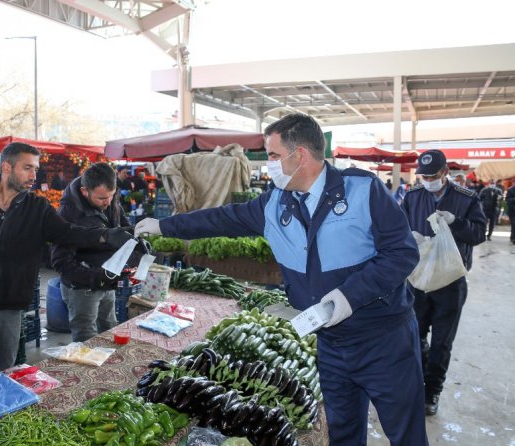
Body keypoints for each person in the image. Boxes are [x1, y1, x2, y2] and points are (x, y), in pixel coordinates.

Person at [135, 113, 427, 446]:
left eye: (273, 155)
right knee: (344, 433)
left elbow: (402, 254)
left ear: (299, 154)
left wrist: (348, 296)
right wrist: (164, 226)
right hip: (330, 342)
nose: (269, 164)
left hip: (383, 339)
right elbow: (220, 219)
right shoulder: (275, 202)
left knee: (406, 434)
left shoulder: (363, 190)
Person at [0, 143, 135, 382]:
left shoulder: (38, 208)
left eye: (36, 169)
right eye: (27, 168)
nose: (34, 176)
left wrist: (106, 235)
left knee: (6, 376)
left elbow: (69, 233)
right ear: (7, 167)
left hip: (10, 308)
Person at [401, 149, 486, 416]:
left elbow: (479, 233)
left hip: (451, 282)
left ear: (445, 173)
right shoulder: (413, 198)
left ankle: (432, 392)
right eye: (423, 176)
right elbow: (396, 228)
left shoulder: (467, 199)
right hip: (418, 280)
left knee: (442, 342)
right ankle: (417, 384)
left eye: (432, 175)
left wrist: (456, 222)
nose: (427, 180)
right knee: (414, 336)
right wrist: (407, 237)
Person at [51, 163, 136, 342]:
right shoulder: (67, 213)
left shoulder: (110, 200)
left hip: (108, 279)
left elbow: (121, 225)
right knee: (86, 337)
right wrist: (95, 278)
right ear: (84, 191)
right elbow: (60, 261)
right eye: (101, 198)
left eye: (111, 196)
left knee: (110, 327)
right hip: (83, 288)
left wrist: (136, 237)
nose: (107, 202)